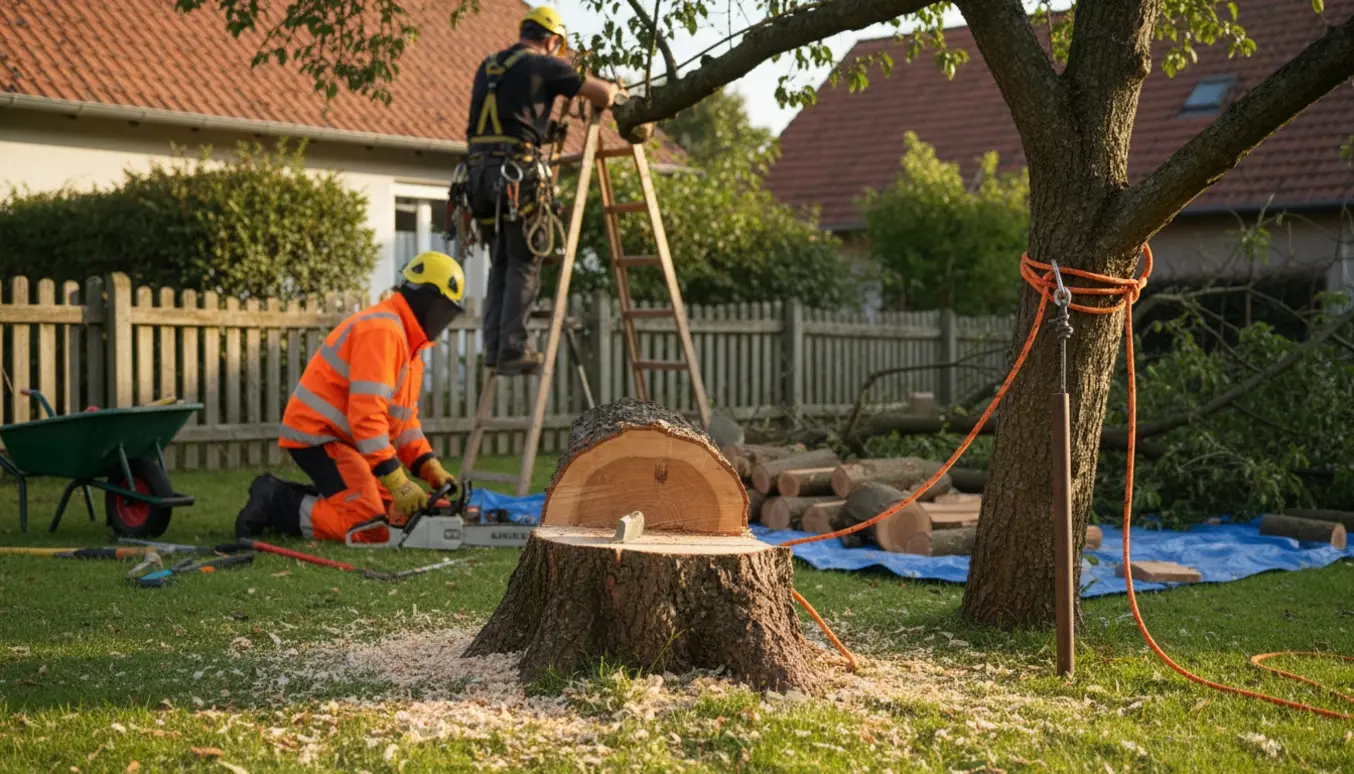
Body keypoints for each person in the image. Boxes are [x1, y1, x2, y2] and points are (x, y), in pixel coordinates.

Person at [234, 251, 466, 543]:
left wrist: (427, 464)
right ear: (427, 298)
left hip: (345, 441)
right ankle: (274, 501)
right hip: (319, 436)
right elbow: (367, 416)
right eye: (445, 309)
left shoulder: (409, 345)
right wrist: (395, 478)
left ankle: (303, 497)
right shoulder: (384, 331)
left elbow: (403, 422)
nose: (444, 320)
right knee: (369, 525)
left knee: (389, 507)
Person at [464, 5, 619, 375]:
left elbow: (506, 118)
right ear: (552, 41)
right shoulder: (545, 64)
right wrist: (614, 87)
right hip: (515, 175)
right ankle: (514, 348)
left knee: (501, 260)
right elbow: (603, 96)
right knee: (524, 260)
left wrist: (540, 131)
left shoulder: (489, 65)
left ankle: (496, 348)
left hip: (478, 175)